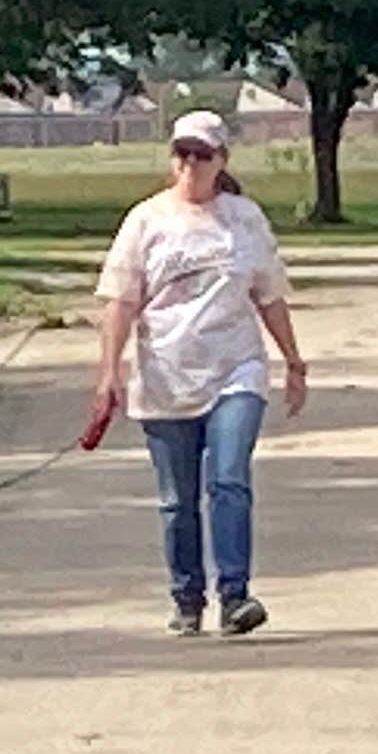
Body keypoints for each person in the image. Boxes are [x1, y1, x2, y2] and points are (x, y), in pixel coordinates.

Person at [92, 106, 306, 636]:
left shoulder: (244, 219)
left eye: (201, 155)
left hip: (236, 368)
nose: (190, 164)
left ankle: (235, 594)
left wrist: (293, 361)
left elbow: (269, 295)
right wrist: (109, 373)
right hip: (167, 373)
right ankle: (187, 596)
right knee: (177, 501)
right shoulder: (146, 221)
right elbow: (120, 301)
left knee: (229, 480)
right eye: (182, 154)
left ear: (221, 160)